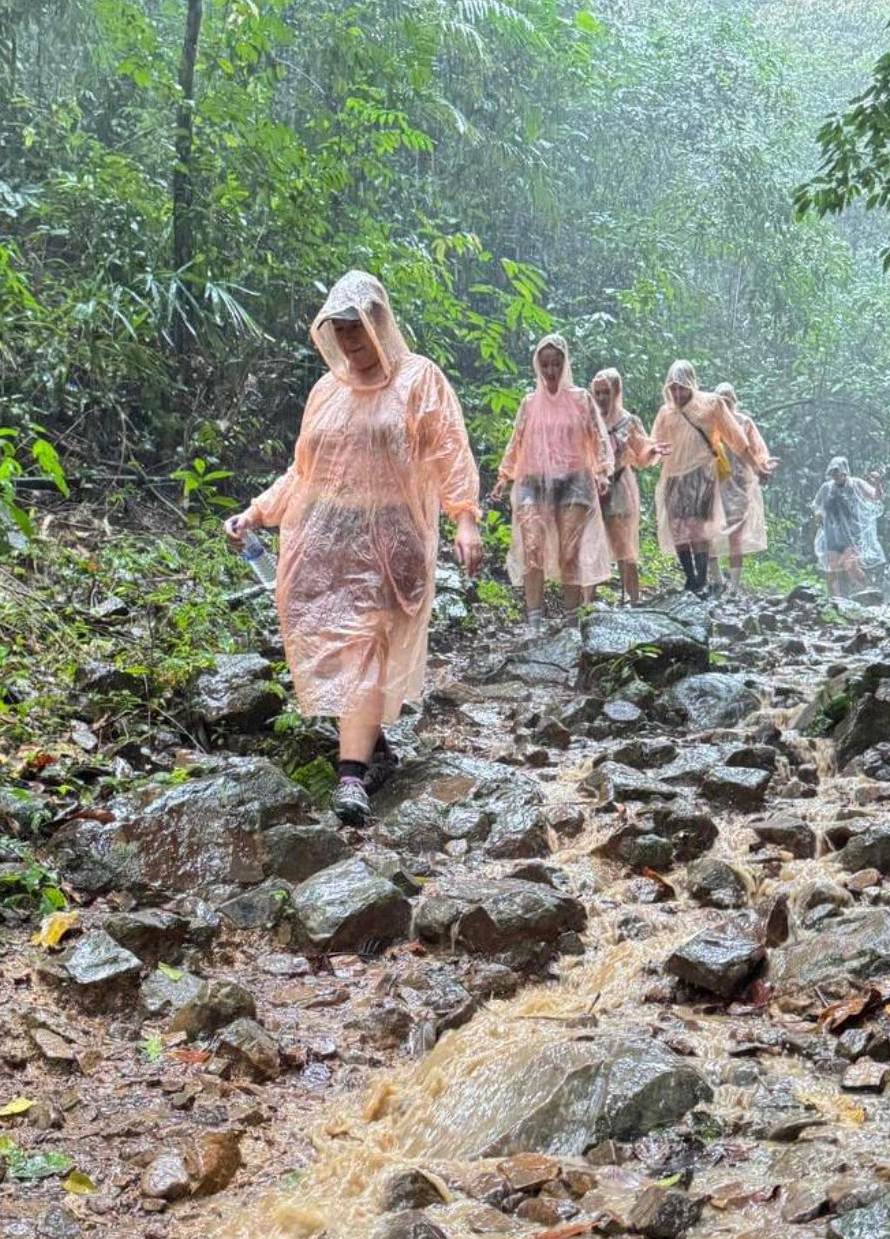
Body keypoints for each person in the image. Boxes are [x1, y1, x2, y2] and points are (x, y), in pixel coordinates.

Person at [224, 271, 482, 827]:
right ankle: (374, 746)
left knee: (363, 643)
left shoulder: (418, 379)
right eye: (338, 329)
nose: (347, 340)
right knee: (336, 648)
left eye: (355, 327)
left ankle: (349, 777)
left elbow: (449, 452)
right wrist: (257, 512)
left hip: (393, 542)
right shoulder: (326, 391)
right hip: (327, 541)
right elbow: (304, 472)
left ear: (379, 321)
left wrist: (465, 518)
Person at [496, 334, 613, 634]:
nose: (551, 371)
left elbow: (596, 437)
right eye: (545, 364)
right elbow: (517, 441)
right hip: (533, 481)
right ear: (538, 365)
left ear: (565, 364)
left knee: (569, 551)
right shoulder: (529, 403)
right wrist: (504, 475)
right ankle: (534, 623)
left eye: (556, 364)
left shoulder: (581, 399)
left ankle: (571, 621)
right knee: (532, 548)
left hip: (574, 480)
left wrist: (602, 471)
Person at [648, 359, 752, 594]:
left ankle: (702, 579)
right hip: (673, 476)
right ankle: (691, 578)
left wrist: (757, 465)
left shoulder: (710, 405)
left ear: (691, 385)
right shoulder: (666, 412)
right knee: (677, 528)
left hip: (701, 474)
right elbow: (654, 442)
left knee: (697, 528)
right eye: (673, 388)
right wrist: (653, 450)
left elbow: (737, 439)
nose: (677, 393)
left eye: (682, 388)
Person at [589, 366, 654, 605]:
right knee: (592, 545)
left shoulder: (629, 422)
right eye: (597, 392)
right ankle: (587, 603)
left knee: (624, 546)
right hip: (592, 487)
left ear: (616, 392)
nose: (601, 397)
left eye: (606, 392)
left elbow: (643, 454)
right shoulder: (588, 419)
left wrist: (652, 450)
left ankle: (634, 601)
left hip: (620, 486)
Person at [711, 382, 776, 590]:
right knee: (709, 532)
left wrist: (764, 465)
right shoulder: (709, 423)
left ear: (734, 402)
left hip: (740, 485)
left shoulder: (744, 423)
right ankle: (717, 580)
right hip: (714, 485)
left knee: (736, 536)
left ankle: (734, 587)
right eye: (721, 401)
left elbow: (758, 450)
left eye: (728, 401)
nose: (725, 405)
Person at [812, 455, 867, 598]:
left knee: (851, 566)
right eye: (833, 474)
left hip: (852, 535)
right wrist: (818, 513)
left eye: (838, 473)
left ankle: (867, 593)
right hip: (831, 535)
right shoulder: (826, 488)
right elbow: (816, 504)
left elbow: (874, 496)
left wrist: (877, 484)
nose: (835, 476)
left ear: (845, 472)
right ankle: (834, 599)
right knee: (831, 568)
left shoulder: (855, 484)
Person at [855, 467, 887, 584]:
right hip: (857, 530)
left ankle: (874, 581)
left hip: (869, 530)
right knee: (857, 555)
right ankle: (862, 582)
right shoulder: (857, 490)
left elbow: (878, 499)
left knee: (873, 553)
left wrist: (878, 484)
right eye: (870, 478)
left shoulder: (872, 498)